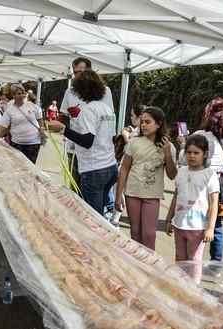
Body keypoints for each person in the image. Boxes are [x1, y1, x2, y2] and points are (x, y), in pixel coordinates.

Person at [49, 70, 118, 216]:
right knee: (99, 214)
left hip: (94, 169)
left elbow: (87, 141)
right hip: (110, 167)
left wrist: (63, 129)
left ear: (82, 90)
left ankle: (94, 239)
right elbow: (109, 137)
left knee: (92, 217)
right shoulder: (106, 109)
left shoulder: (88, 110)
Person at [115, 106, 177, 251]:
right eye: (142, 122)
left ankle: (150, 268)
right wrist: (119, 195)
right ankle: (136, 266)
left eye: (147, 122)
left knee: (149, 234)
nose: (143, 125)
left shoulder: (168, 146)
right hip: (132, 193)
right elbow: (124, 169)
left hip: (152, 196)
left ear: (159, 124)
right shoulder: (134, 143)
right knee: (135, 233)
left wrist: (167, 153)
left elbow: (172, 175)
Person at [165, 134, 219, 282]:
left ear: (205, 154)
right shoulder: (181, 171)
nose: (192, 156)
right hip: (179, 225)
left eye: (196, 153)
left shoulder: (210, 175)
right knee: (180, 259)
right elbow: (176, 196)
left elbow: (214, 203)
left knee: (194, 260)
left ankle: (194, 290)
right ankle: (181, 286)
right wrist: (169, 219)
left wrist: (210, 228)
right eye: (189, 152)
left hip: (197, 228)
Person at [192, 97, 223, 261]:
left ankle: (192, 257)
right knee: (216, 223)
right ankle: (216, 262)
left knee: (194, 217)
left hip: (201, 181)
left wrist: (184, 143)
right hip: (219, 180)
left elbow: (186, 159)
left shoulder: (201, 135)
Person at [60, 57, 114, 194]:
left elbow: (107, 121)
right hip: (76, 149)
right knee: (76, 188)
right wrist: (69, 135)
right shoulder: (70, 92)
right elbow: (64, 116)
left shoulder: (103, 94)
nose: (77, 76)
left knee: (93, 198)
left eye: (81, 73)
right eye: (75, 73)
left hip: (97, 155)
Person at [0, 83, 46, 164]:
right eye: (18, 94)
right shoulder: (10, 110)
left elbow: (40, 119)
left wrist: (42, 128)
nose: (21, 96)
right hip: (17, 143)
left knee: (30, 166)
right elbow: (1, 126)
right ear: (13, 95)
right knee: (17, 165)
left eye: (22, 93)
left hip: (33, 143)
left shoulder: (32, 106)